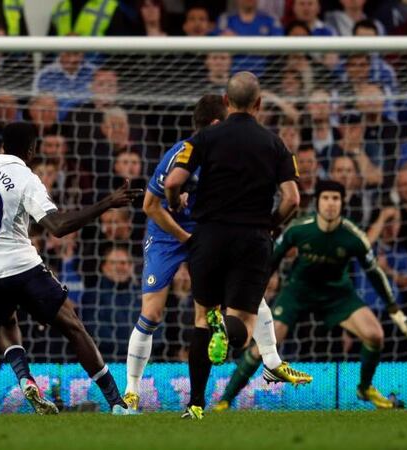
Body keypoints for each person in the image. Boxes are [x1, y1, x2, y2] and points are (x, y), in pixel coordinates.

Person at [0, 122, 142, 415]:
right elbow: (58, 227)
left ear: (2, 145)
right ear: (32, 150)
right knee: (73, 326)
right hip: (22, 268)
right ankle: (116, 402)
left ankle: (25, 379)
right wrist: (107, 202)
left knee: (7, 323)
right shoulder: (26, 178)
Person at [163, 72, 305, 419]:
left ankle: (195, 405)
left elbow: (174, 180)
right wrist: (271, 224)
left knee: (201, 318)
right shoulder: (275, 144)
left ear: (226, 102)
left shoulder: (205, 137)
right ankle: (224, 329)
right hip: (252, 239)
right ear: (259, 104)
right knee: (242, 325)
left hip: (209, 236)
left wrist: (175, 201)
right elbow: (293, 199)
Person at [215, 181, 407, 411]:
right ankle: (225, 399)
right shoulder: (299, 229)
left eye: (336, 199)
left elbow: (374, 272)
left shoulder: (353, 236)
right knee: (266, 344)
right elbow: (271, 263)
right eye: (326, 198)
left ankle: (364, 388)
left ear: (342, 203)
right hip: (298, 291)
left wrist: (393, 308)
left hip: (337, 294)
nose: (331, 204)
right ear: (318, 202)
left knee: (375, 334)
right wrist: (248, 296)